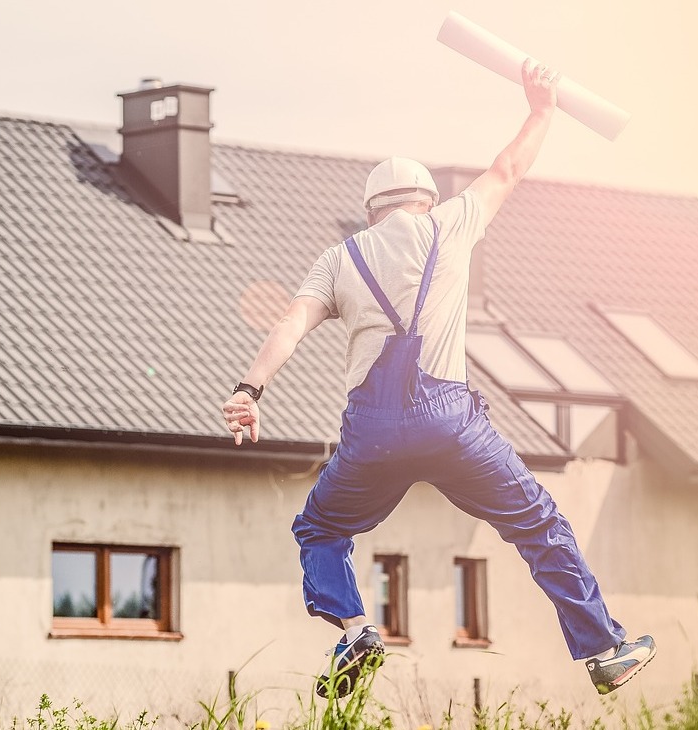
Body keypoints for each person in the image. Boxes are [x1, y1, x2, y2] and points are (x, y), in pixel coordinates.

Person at [221, 59, 654, 698]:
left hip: (371, 436)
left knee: (320, 528)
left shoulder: (339, 259)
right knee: (537, 525)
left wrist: (249, 390)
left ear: (371, 211)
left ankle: (355, 631)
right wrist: (541, 108)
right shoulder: (449, 225)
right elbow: (508, 168)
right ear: (424, 199)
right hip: (453, 425)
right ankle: (604, 649)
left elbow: (291, 322)